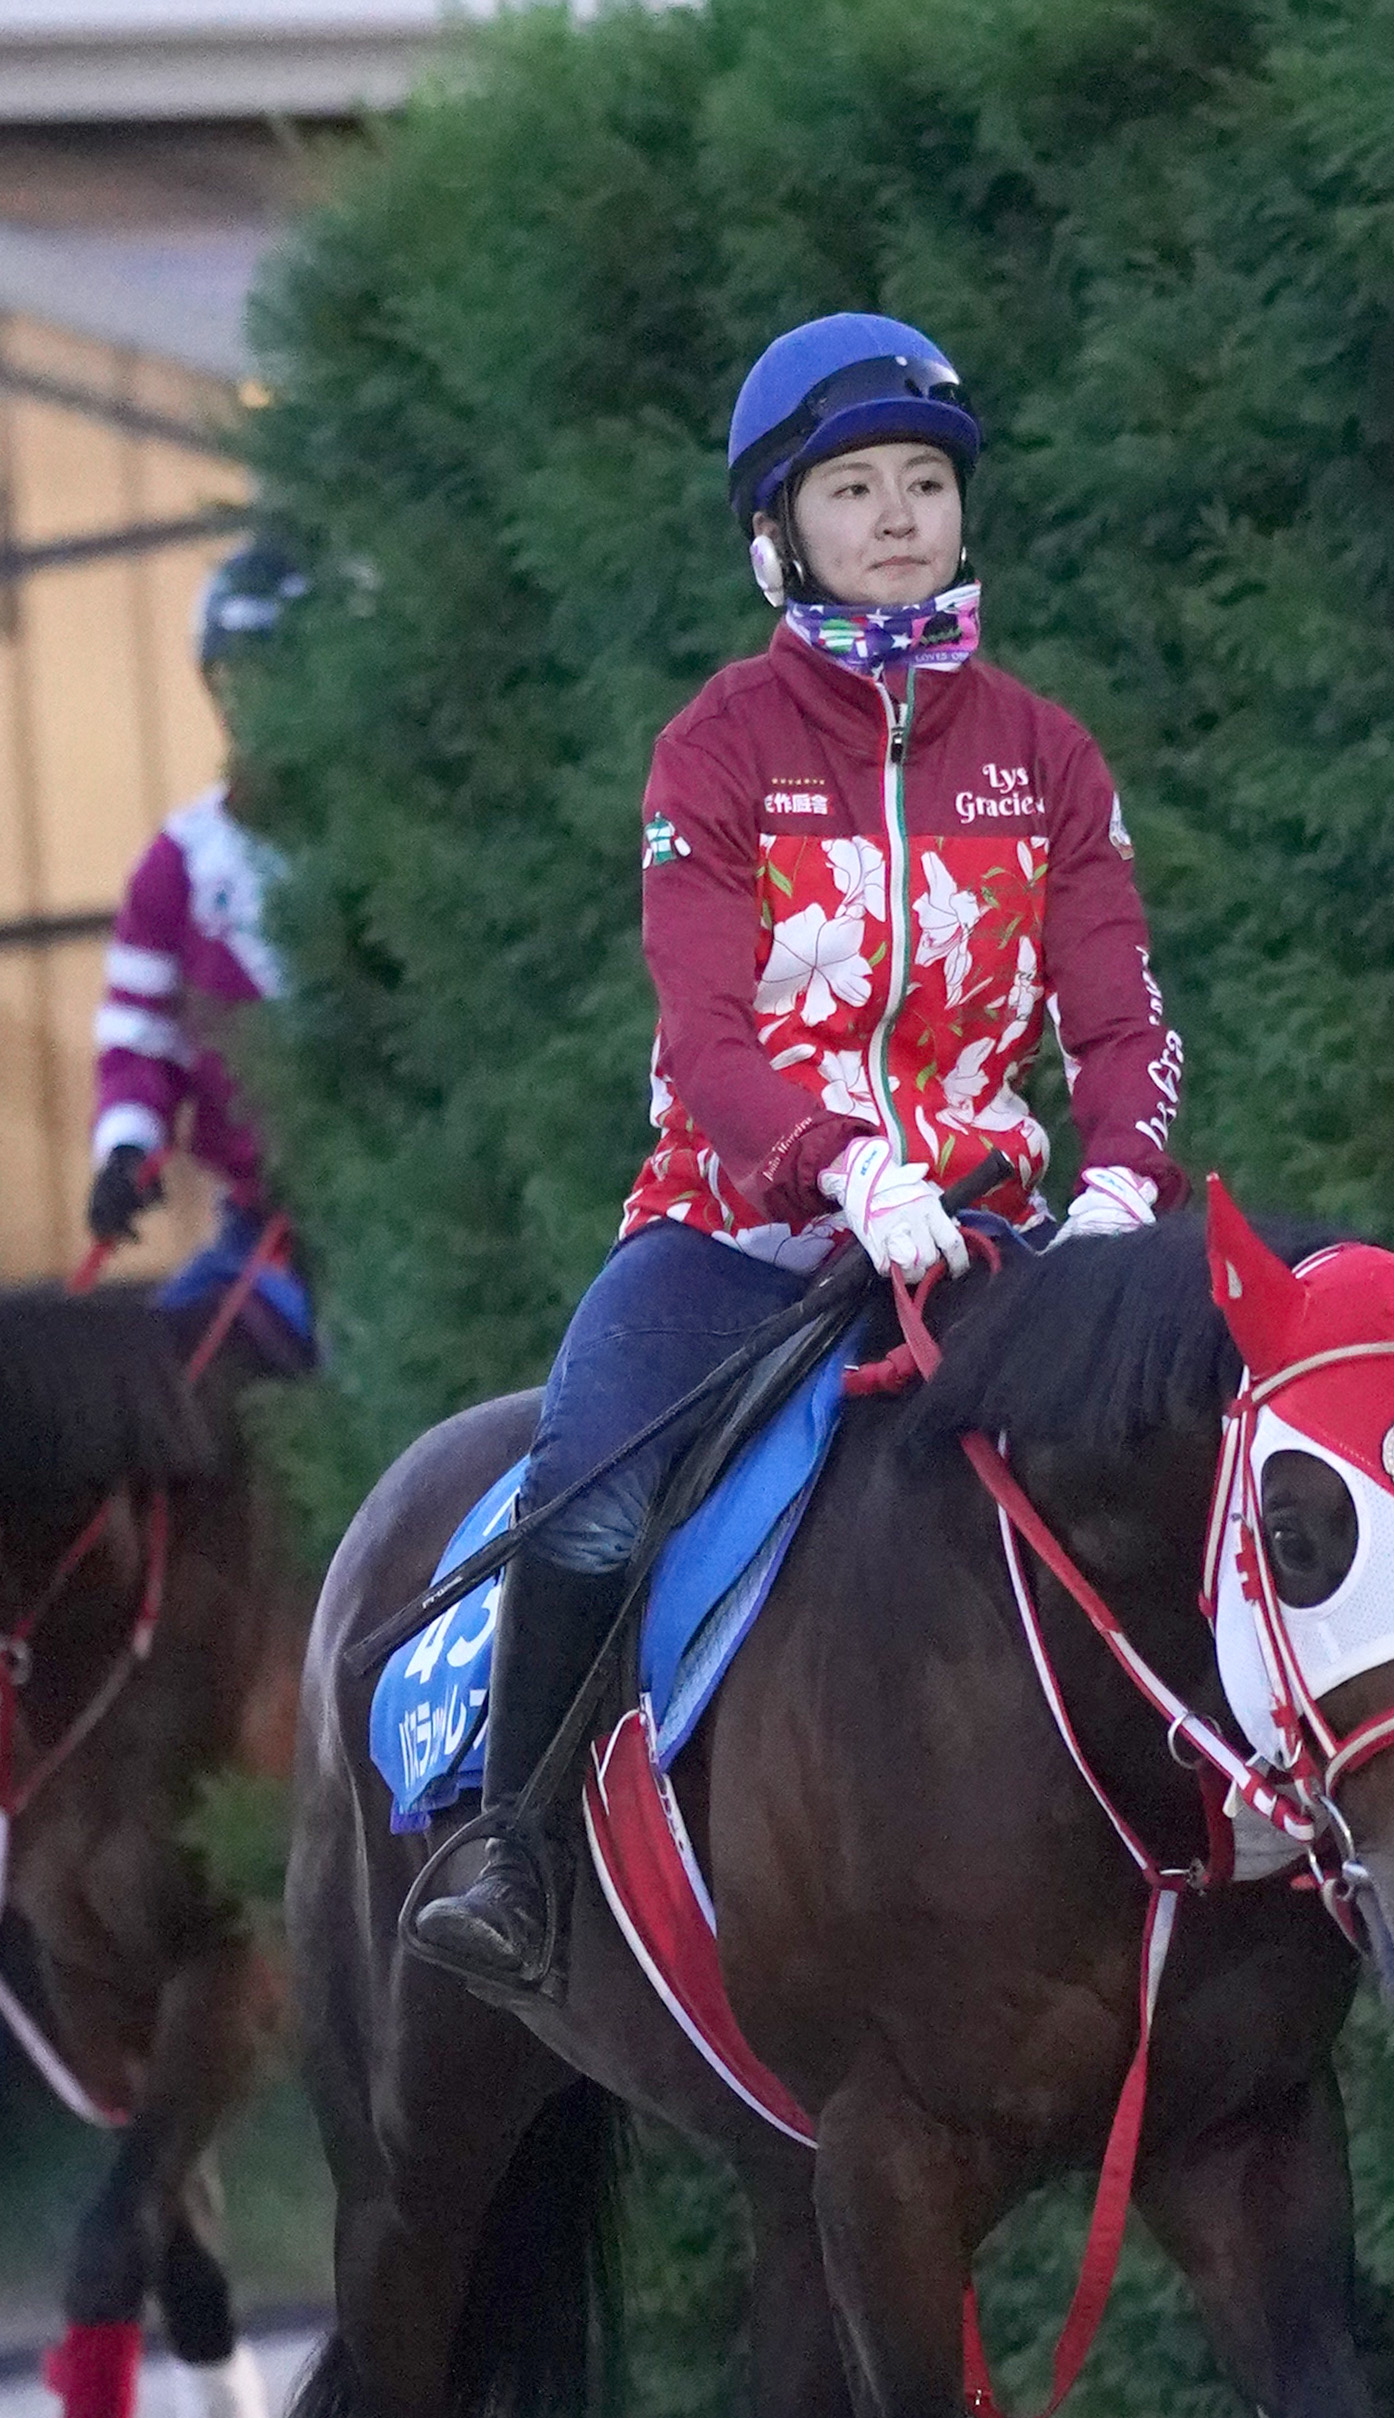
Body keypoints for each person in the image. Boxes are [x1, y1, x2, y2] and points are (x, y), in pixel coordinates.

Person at [413, 312, 1187, 1984]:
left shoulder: (1047, 756)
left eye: (928, 480)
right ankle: (517, 1862)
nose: (902, 513)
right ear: (779, 534)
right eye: (856, 487)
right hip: (733, 1228)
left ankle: (1245, 1836)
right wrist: (843, 1164)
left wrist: (1120, 1186)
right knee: (592, 1510)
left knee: (1183, 1457)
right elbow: (706, 1038)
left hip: (993, 1237)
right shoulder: (716, 753)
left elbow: (1121, 1018)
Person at [86, 538, 316, 1368]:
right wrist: (123, 1150)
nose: (251, 703)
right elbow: (137, 1042)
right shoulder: (175, 865)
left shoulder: (381, 853)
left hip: (390, 1228)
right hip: (251, 1230)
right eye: (233, 680)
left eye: (274, 675)